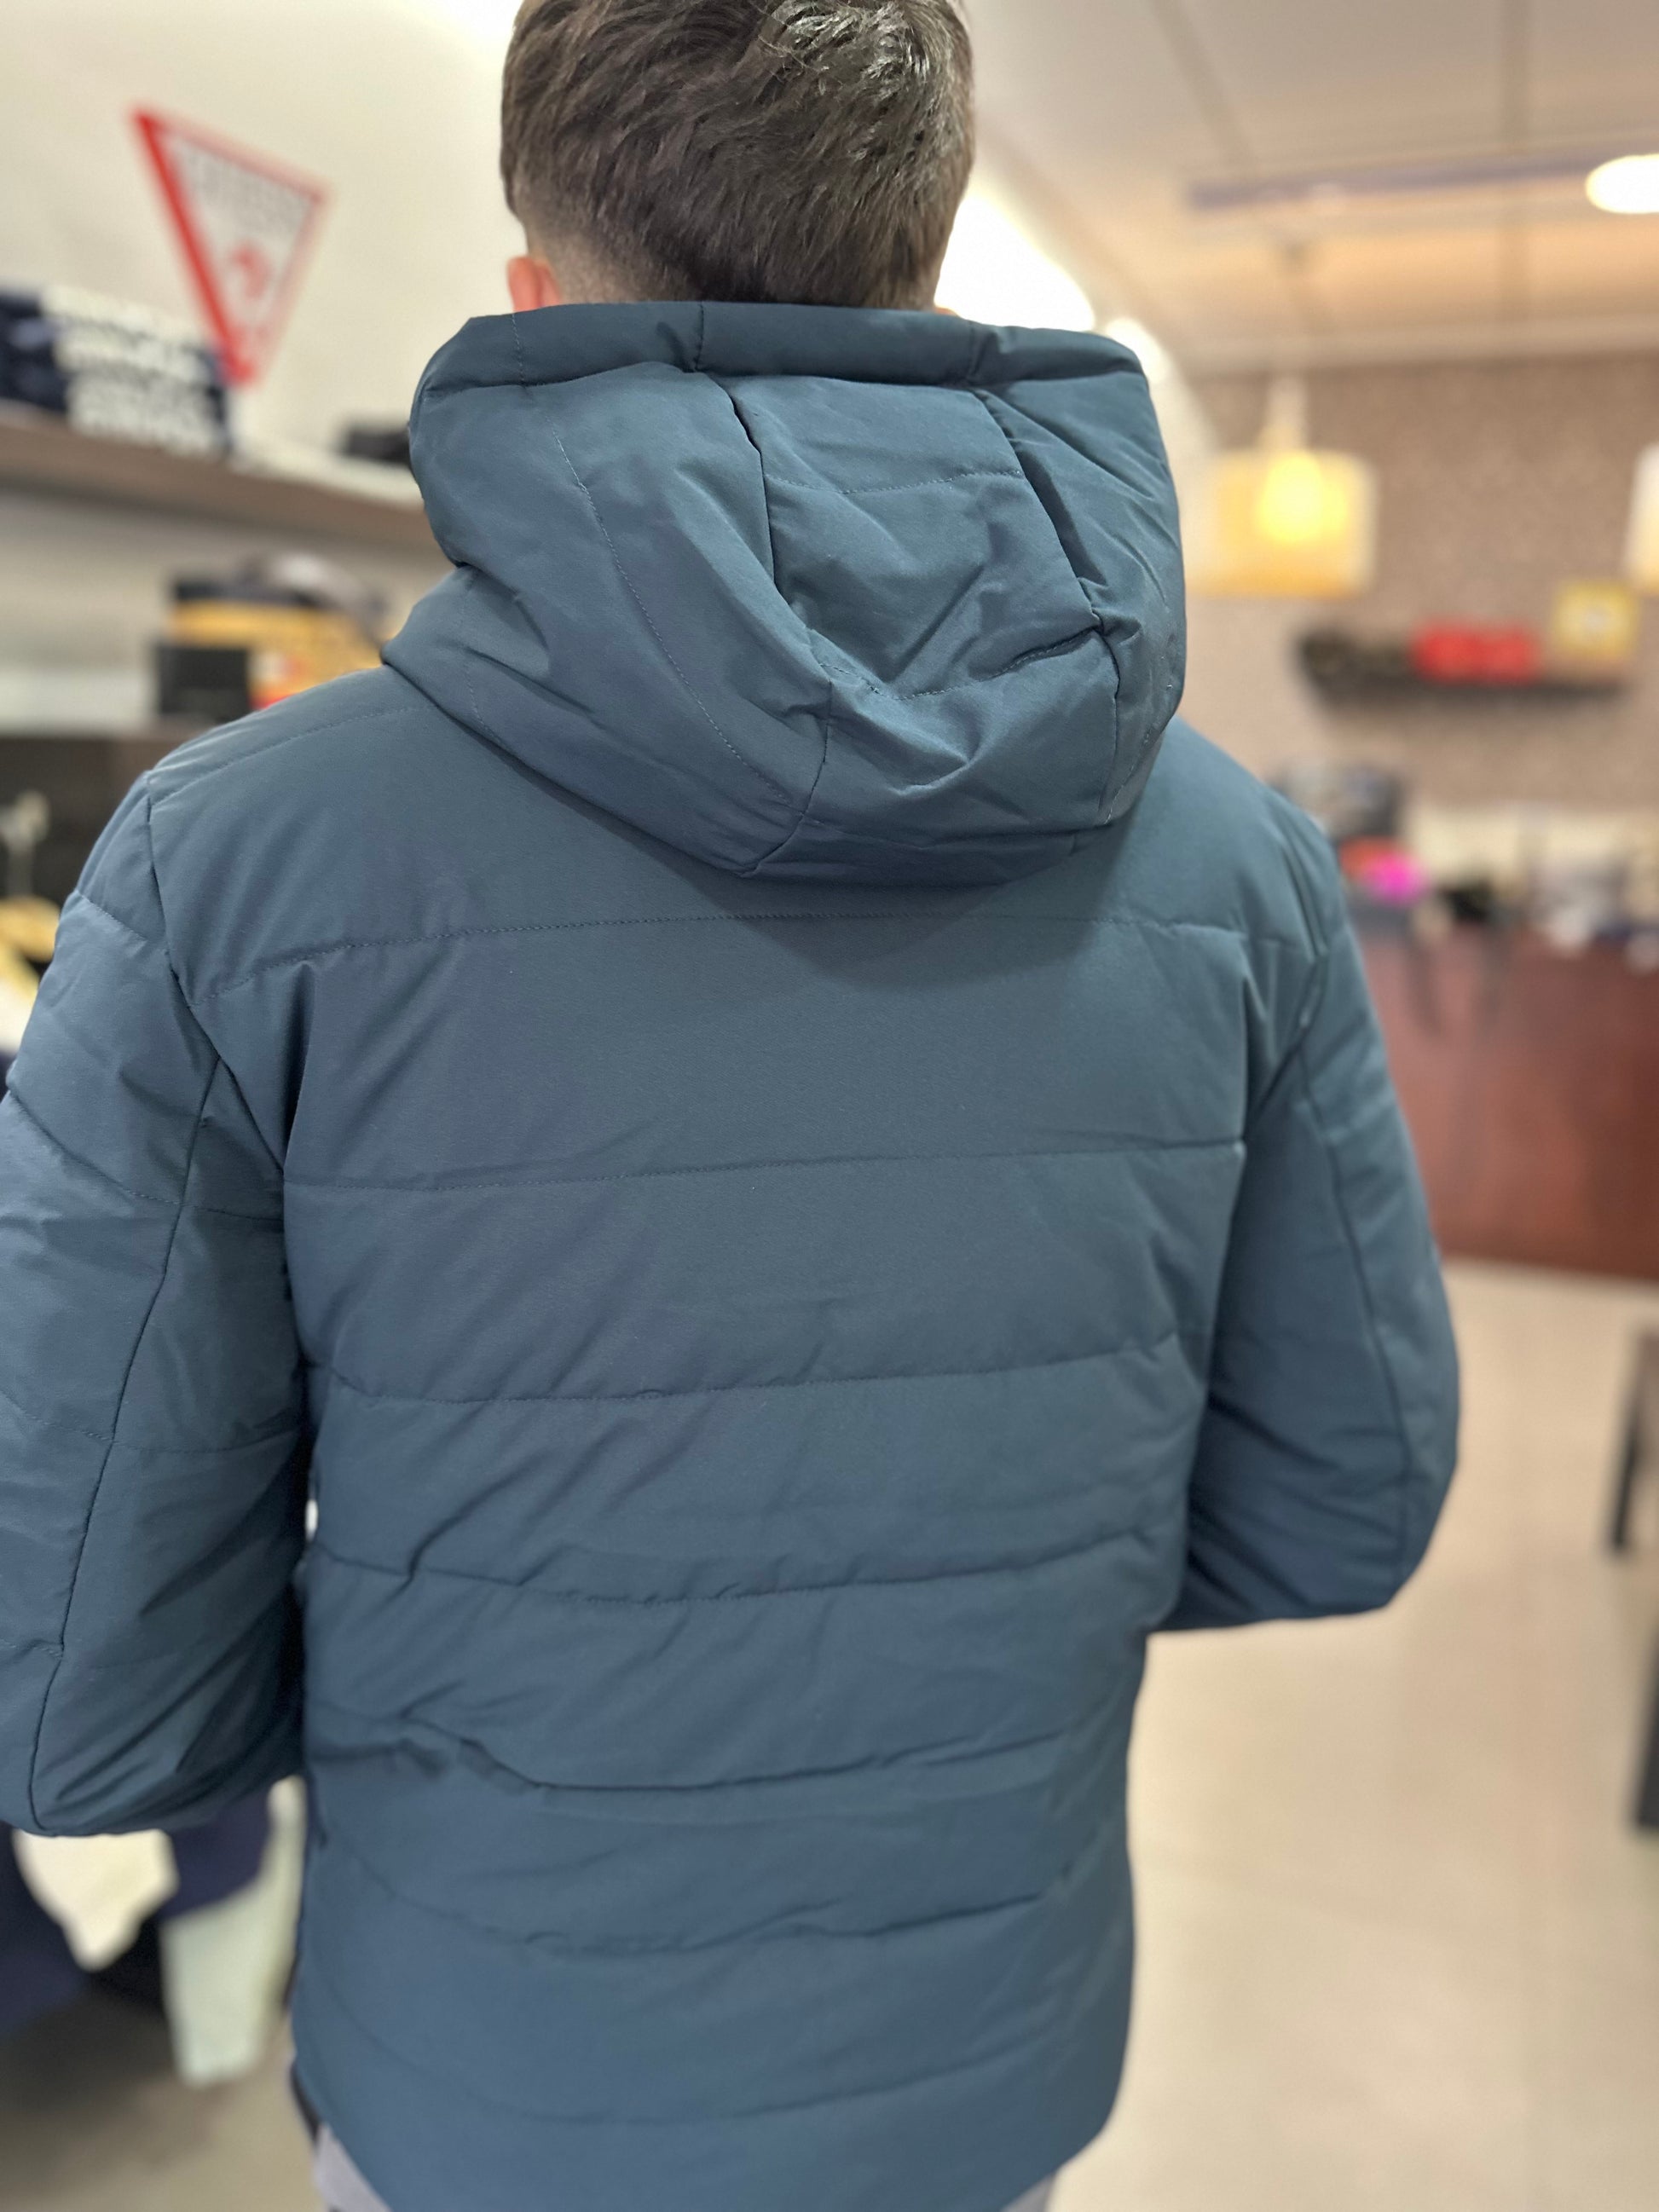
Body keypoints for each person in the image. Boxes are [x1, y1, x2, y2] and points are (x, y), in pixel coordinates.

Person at [0, 4, 1460, 2209]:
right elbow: (1348, 1495)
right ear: (930, 268)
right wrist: (982, 1580)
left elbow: (73, 1682)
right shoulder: (1242, 862)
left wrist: (440, 1659)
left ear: (529, 293)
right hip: (980, 2063)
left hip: (487, 2075)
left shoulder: (229, 863)